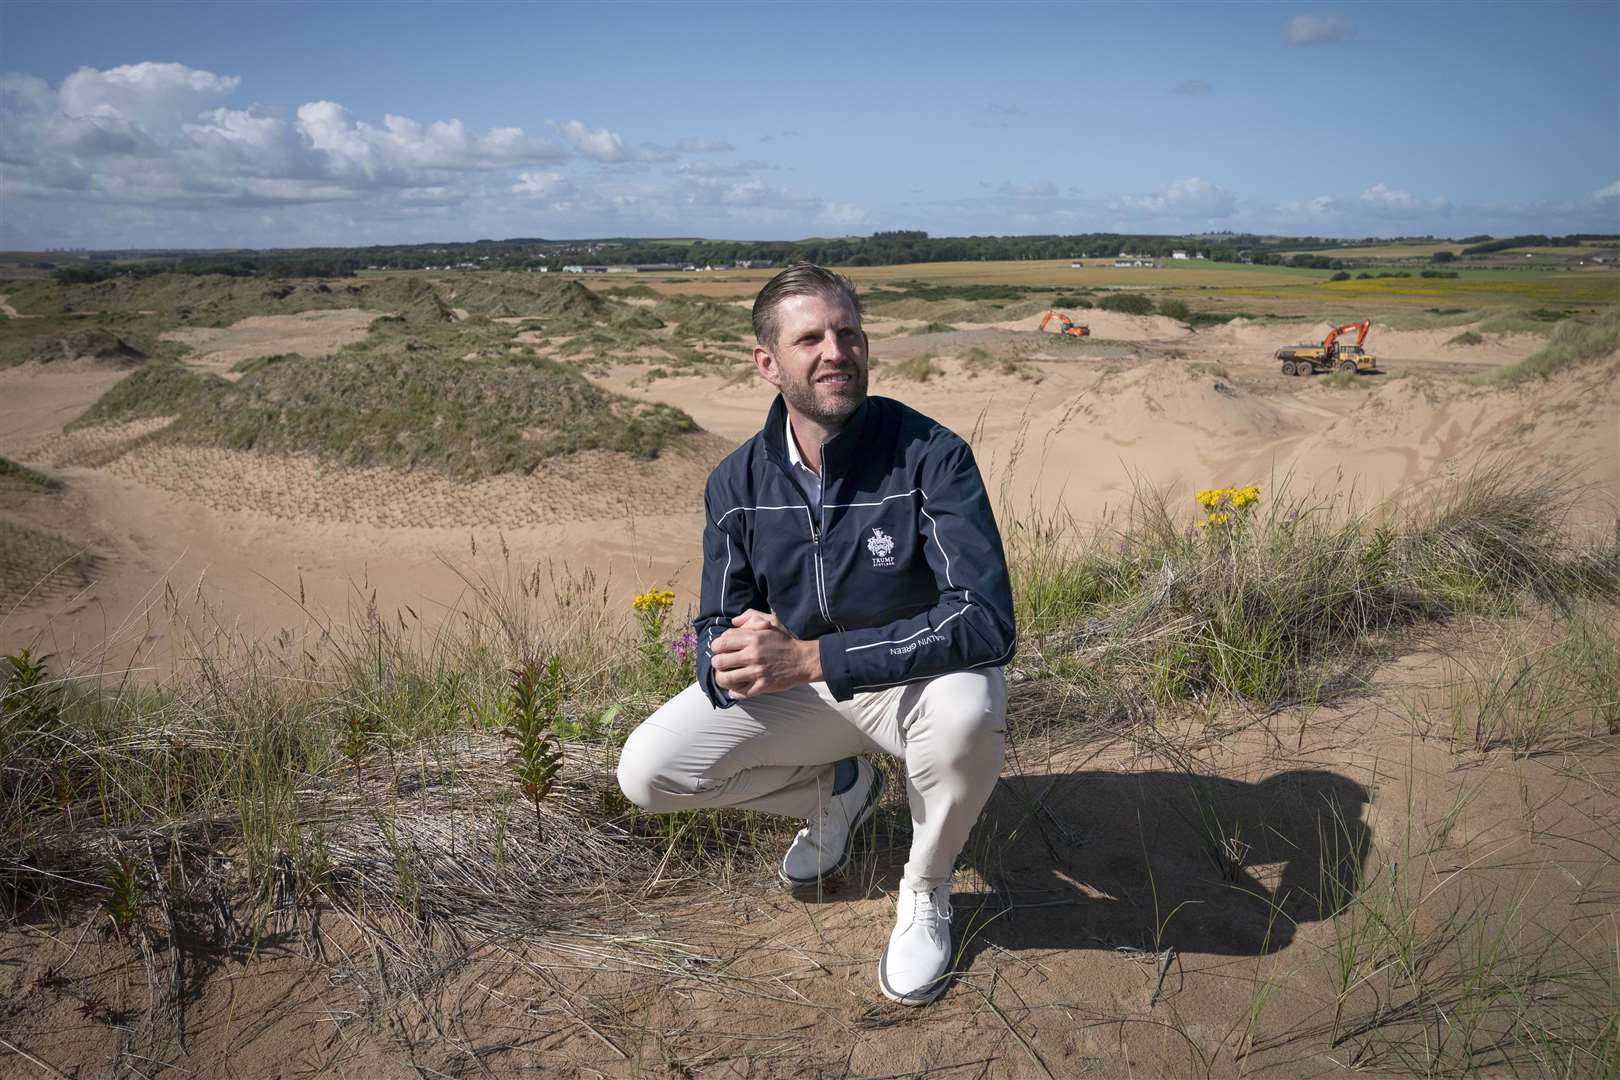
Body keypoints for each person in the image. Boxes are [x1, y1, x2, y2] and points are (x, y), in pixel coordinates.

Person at [617, 263, 1016, 1006]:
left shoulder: (930, 454)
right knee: (647, 774)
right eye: (810, 339)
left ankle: (926, 888)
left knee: (970, 711)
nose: (836, 351)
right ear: (768, 363)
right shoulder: (735, 483)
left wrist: (812, 656)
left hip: (910, 686)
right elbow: (714, 618)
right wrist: (721, 654)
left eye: (849, 332)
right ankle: (839, 787)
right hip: (805, 692)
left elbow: (986, 622)